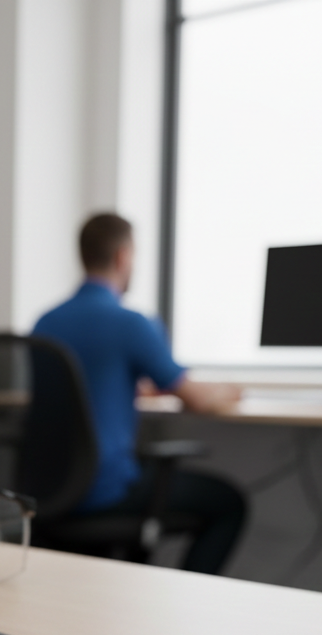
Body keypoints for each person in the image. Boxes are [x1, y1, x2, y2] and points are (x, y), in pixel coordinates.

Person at [31, 212, 246, 574]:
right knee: (230, 503)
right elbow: (198, 399)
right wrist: (231, 389)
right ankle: (189, 597)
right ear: (123, 257)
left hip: (52, 489)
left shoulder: (45, 322)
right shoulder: (131, 324)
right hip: (105, 490)